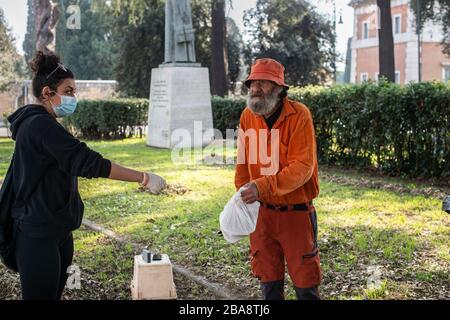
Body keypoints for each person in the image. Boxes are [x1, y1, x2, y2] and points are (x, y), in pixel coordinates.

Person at [7, 51, 166, 300]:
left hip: (58, 228)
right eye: (68, 91)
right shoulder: (39, 126)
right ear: (48, 93)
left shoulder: (44, 123)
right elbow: (89, 163)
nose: (74, 97)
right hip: (38, 235)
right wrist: (143, 177)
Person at [235, 58, 322, 300]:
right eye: (253, 82)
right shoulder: (246, 117)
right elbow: (242, 163)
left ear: (279, 89)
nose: (255, 88)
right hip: (261, 216)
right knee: (269, 285)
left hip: (296, 215)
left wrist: (261, 187)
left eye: (263, 82)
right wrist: (241, 195)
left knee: (306, 287)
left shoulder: (299, 115)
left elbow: (302, 167)